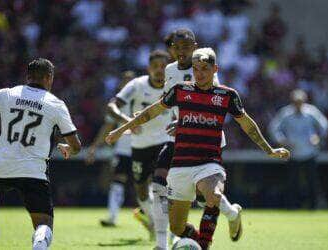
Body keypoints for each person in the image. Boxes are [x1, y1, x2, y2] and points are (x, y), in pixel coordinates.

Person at [106, 48, 290, 249]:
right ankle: (214, 227)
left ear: (215, 69)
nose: (199, 73)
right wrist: (121, 130)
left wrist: (269, 149)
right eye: (196, 69)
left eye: (204, 68)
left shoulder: (227, 95)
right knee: (176, 228)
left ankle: (203, 245)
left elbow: (246, 123)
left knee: (213, 195)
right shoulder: (181, 91)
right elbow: (151, 112)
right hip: (180, 165)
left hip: (209, 163)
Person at [0, 58, 82, 250]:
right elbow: (76, 145)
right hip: (34, 172)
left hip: (3, 166)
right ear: (49, 78)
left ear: (28, 77)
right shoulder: (56, 104)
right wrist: (69, 148)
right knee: (44, 224)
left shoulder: (8, 94)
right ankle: (38, 247)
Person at [151, 28, 230, 250]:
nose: (181, 51)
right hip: (179, 138)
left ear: (194, 47)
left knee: (206, 198)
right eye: (177, 47)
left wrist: (186, 122)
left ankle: (210, 234)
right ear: (172, 49)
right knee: (158, 184)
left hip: (205, 138)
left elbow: (212, 101)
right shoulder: (169, 70)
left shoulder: (205, 67)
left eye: (186, 47)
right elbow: (168, 99)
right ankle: (164, 242)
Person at [107, 50, 173, 241]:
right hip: (139, 146)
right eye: (155, 66)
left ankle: (168, 232)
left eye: (163, 66)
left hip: (165, 143)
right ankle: (153, 221)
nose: (159, 70)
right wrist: (128, 121)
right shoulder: (136, 85)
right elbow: (112, 106)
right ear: (148, 68)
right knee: (141, 193)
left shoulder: (173, 86)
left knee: (161, 186)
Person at [86, 70, 136, 226]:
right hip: (123, 148)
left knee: (146, 185)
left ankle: (154, 220)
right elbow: (107, 126)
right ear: (121, 84)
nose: (127, 84)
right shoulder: (116, 104)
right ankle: (112, 217)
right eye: (124, 81)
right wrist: (94, 146)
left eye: (130, 81)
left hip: (144, 147)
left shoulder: (145, 97)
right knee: (117, 181)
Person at [269, 89, 328, 208]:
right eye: (296, 101)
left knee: (312, 182)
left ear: (304, 101)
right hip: (293, 153)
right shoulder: (285, 113)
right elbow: (273, 128)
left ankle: (313, 206)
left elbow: (324, 126)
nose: (298, 104)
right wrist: (282, 140)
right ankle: (292, 206)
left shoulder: (312, 112)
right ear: (292, 101)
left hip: (310, 152)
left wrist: (318, 137)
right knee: (292, 183)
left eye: (300, 101)